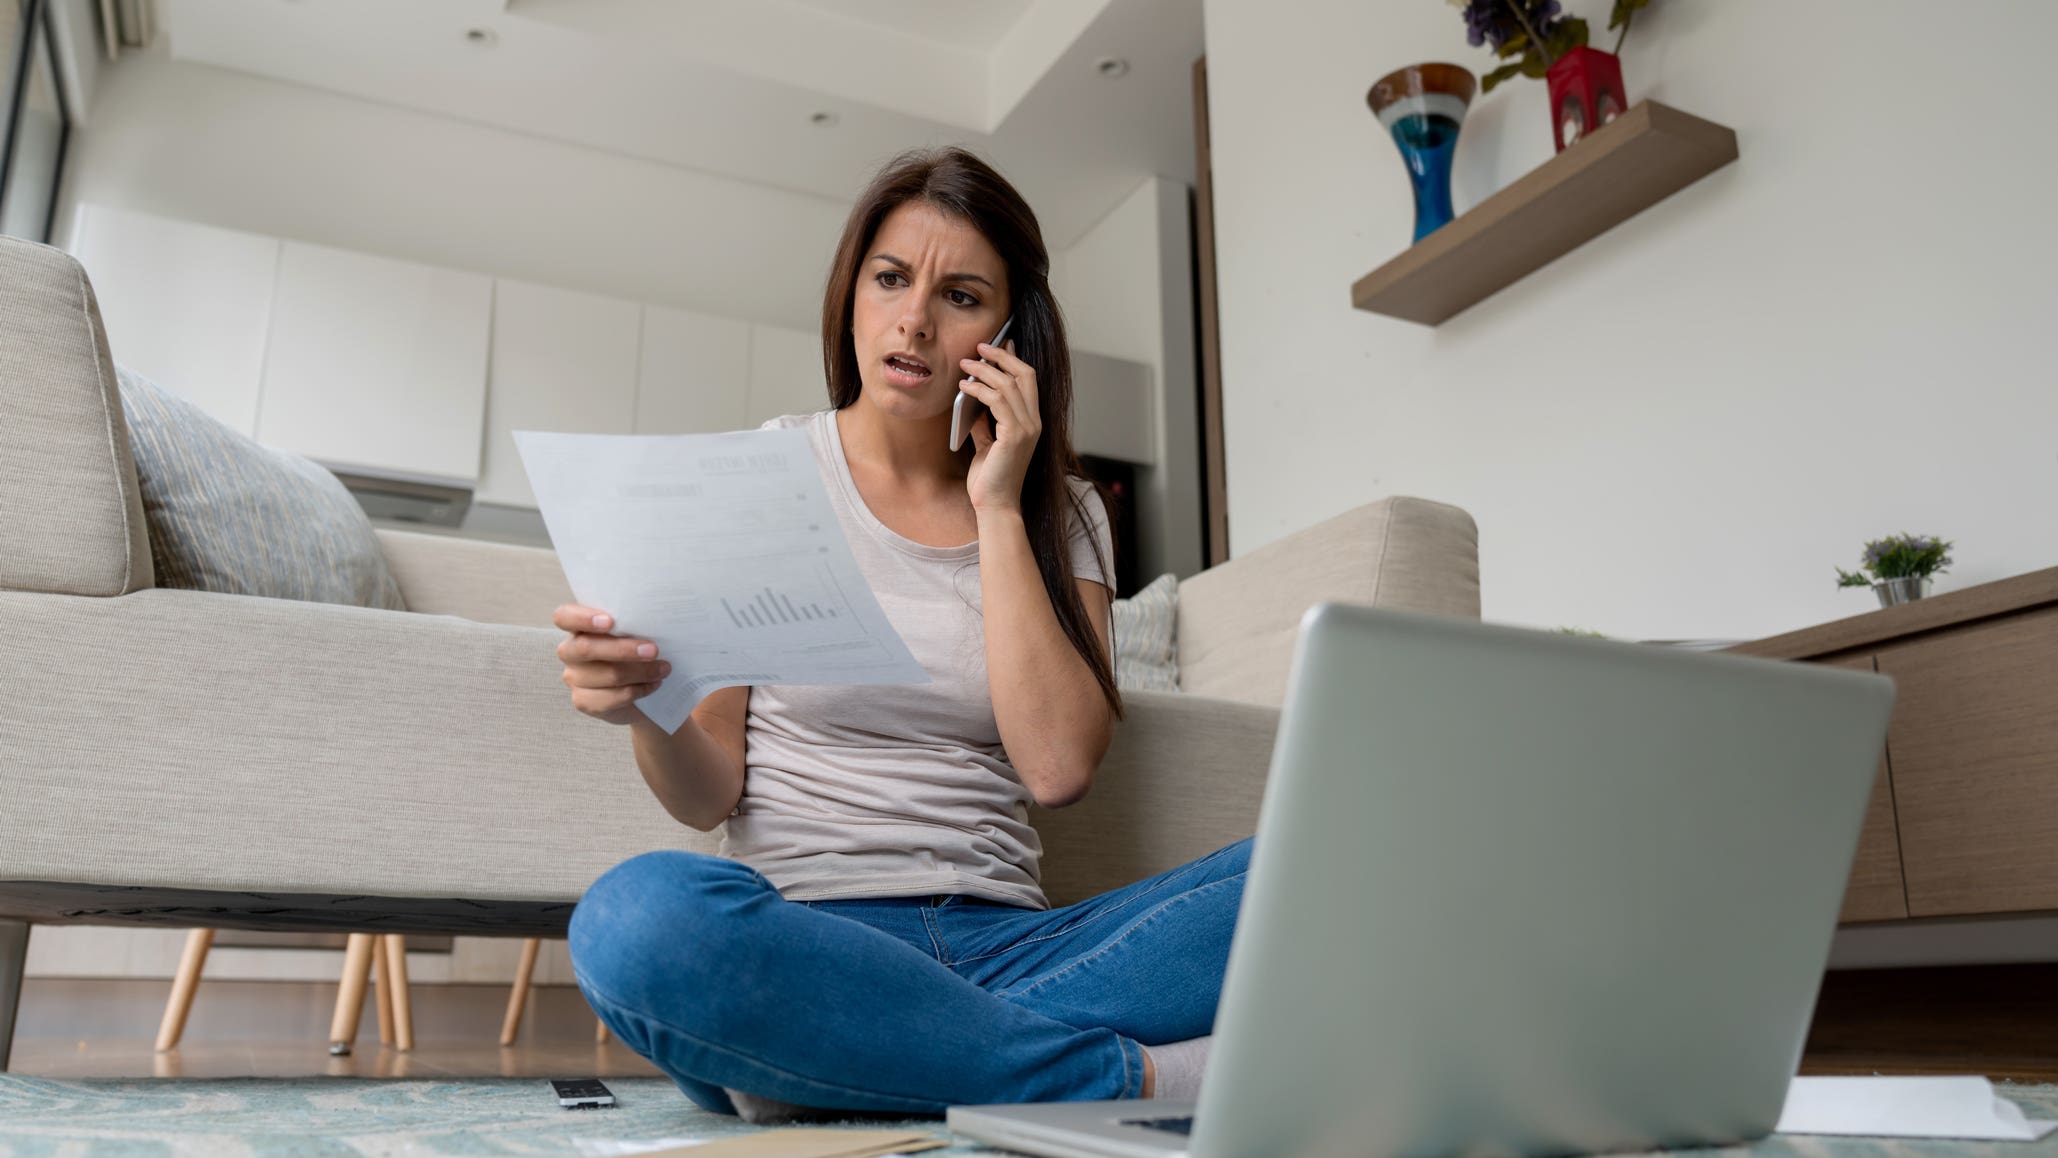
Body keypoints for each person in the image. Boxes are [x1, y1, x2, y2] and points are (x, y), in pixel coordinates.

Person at [559, 146, 1248, 1121]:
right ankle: (1132, 1079)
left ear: (1009, 333)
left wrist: (1003, 505)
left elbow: (1056, 768)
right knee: (634, 923)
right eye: (891, 279)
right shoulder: (768, 471)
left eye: (961, 295)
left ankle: (843, 1061)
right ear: (854, 293)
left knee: (1320, 865)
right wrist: (647, 711)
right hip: (809, 935)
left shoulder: (1068, 512)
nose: (915, 320)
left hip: (1017, 944)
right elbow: (710, 788)